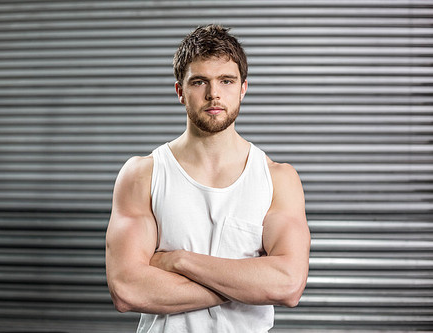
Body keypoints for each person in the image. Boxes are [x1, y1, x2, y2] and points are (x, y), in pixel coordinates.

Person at [106, 24, 310, 332]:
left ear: (243, 88)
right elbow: (127, 289)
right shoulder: (143, 174)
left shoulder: (278, 178)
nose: (214, 94)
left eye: (226, 80)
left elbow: (287, 285)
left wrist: (179, 261)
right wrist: (246, 286)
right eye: (200, 81)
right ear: (180, 91)